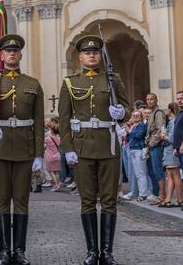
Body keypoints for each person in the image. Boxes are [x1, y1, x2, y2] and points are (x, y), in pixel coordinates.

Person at [58, 35, 129, 265]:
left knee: (109, 200)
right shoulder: (70, 82)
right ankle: (91, 251)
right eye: (87, 53)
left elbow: (126, 106)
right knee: (87, 201)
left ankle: (107, 252)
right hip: (82, 148)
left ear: (100, 56)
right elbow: (64, 119)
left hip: (108, 146)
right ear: (80, 57)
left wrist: (122, 113)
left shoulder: (112, 79)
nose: (91, 55)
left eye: (95, 52)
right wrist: (68, 148)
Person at [0, 34, 45, 265]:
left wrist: (39, 153)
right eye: (8, 51)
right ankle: (3, 251)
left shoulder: (32, 83)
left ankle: (19, 250)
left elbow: (38, 121)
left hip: (24, 148)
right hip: (0, 146)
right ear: (1, 54)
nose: (12, 54)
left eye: (16, 50)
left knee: (21, 200)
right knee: (1, 200)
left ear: (20, 54)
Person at [143, 93, 166, 204]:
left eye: (151, 99)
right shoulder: (151, 113)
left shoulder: (158, 113)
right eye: (147, 99)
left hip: (156, 145)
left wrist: (151, 144)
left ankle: (162, 196)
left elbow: (160, 130)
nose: (149, 101)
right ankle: (157, 194)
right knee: (152, 171)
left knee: (158, 170)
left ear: (156, 100)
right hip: (151, 145)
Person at [160, 104, 183, 207]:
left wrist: (164, 137)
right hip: (168, 151)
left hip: (171, 151)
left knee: (175, 174)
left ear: (170, 110)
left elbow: (173, 139)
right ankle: (168, 198)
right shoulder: (171, 121)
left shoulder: (174, 121)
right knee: (170, 175)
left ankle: (180, 198)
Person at [126, 110, 150, 201]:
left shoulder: (142, 126)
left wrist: (129, 131)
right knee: (137, 173)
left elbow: (139, 135)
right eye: (133, 115)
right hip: (132, 149)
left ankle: (143, 194)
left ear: (141, 117)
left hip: (139, 149)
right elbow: (129, 138)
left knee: (141, 173)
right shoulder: (133, 126)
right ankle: (140, 193)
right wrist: (129, 130)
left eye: (137, 115)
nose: (135, 117)